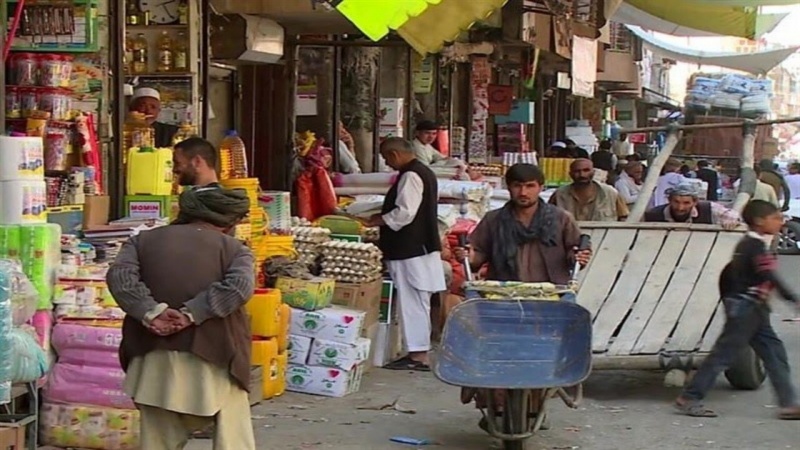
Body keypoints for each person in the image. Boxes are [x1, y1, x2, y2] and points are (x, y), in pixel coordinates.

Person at [107, 185, 256, 450]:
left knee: (157, 439)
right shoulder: (234, 249)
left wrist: (151, 312)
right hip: (217, 358)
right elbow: (239, 287)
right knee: (233, 437)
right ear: (226, 220)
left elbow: (120, 279)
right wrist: (191, 314)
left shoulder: (141, 241)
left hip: (151, 358)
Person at [454, 163, 591, 430]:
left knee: (545, 356)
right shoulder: (493, 220)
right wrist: (468, 256)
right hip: (502, 299)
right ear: (509, 188)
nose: (523, 192)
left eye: (530, 186)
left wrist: (580, 256)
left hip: (548, 301)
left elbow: (575, 253)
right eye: (518, 185)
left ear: (540, 187)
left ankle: (538, 402)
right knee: (492, 352)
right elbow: (478, 253)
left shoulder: (561, 219)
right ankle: (492, 402)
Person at [675, 200, 800, 420]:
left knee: (774, 354)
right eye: (776, 218)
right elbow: (768, 276)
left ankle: (789, 404)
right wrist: (792, 299)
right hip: (747, 309)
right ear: (761, 221)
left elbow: (729, 276)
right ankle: (690, 397)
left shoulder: (750, 244)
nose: (781, 222)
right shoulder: (754, 246)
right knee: (723, 356)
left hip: (753, 309)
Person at [366, 137, 445, 371]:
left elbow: (405, 213)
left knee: (413, 300)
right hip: (420, 247)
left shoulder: (411, 175)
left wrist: (379, 220)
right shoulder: (424, 172)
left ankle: (418, 355)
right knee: (417, 300)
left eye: (386, 159)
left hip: (410, 248)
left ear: (394, 155)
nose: (387, 164)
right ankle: (418, 352)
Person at [549, 159, 629, 221]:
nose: (582, 175)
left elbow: (624, 219)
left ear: (593, 172)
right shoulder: (559, 195)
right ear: (570, 174)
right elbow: (548, 219)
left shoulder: (611, 193)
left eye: (586, 170)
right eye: (577, 171)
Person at [644, 182, 740, 229]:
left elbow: (732, 214)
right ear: (669, 200)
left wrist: (730, 220)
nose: (680, 208)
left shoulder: (709, 209)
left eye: (686, 203)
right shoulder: (653, 214)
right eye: (676, 202)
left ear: (695, 202)